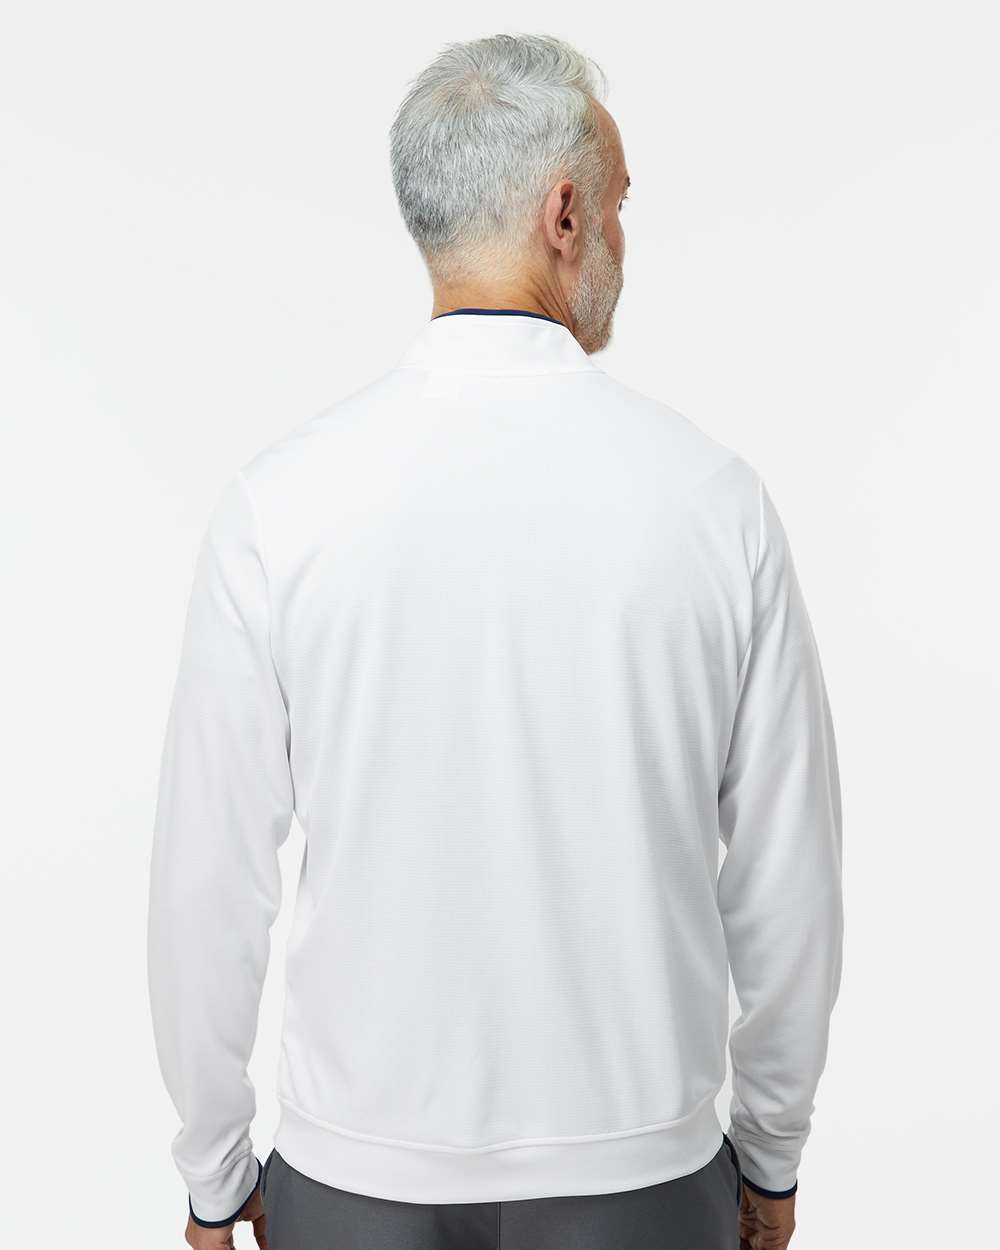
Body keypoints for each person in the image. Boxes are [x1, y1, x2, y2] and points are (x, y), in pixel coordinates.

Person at [147, 31, 843, 1250]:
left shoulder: (282, 504)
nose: (622, 236)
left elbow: (206, 879)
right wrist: (771, 1150)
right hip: (641, 1175)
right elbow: (789, 878)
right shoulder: (710, 499)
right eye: (617, 204)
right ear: (563, 215)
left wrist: (216, 1168)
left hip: (354, 1177)